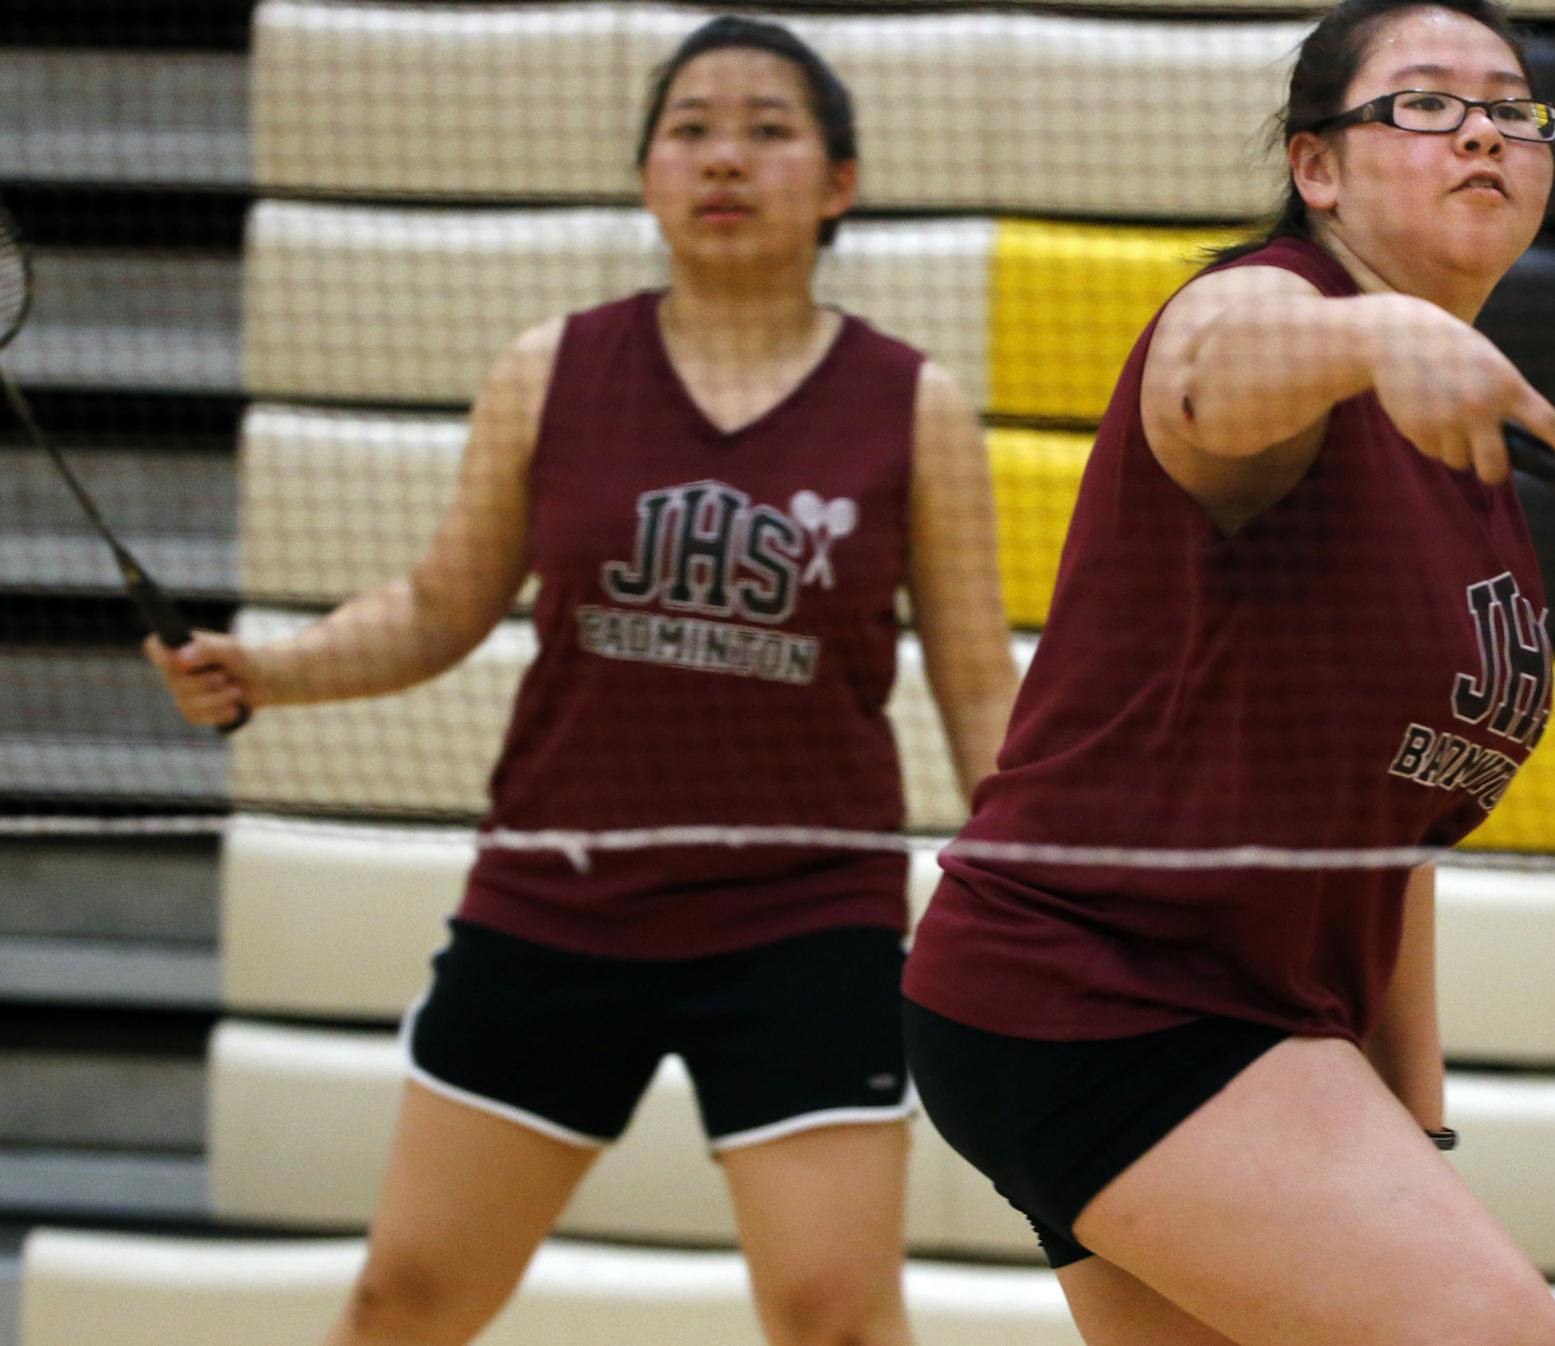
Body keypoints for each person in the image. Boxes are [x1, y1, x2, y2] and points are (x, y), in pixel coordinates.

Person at [148, 18, 1016, 1346]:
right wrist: (268, 668)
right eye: (691, 129)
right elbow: (441, 607)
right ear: (647, 175)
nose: (726, 156)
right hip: (554, 904)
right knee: (405, 1299)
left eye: (769, 129)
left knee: (838, 1321)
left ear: (838, 183)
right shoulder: (549, 371)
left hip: (804, 919)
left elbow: (971, 681)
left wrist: (1046, 890)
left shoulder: (913, 404)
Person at [901, 2, 1555, 1344]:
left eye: (1513, 107)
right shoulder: (1276, 312)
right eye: (1425, 102)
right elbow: (1221, 364)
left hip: (1256, 1027)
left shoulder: (1470, 469)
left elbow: (1394, 837)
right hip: (1103, 993)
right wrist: (1372, 338)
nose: (1481, 132)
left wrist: (1414, 1115)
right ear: (1315, 166)